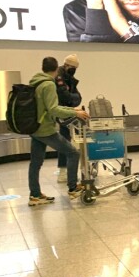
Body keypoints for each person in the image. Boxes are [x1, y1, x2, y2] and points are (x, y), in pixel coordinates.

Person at [28, 57, 90, 206]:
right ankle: (73, 188)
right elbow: (53, 109)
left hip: (35, 128)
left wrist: (71, 109)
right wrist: (75, 113)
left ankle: (35, 195)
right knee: (73, 153)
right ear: (56, 69)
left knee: (35, 162)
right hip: (46, 129)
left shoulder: (35, 81)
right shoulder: (49, 84)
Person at [55, 54, 82, 183]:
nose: (73, 70)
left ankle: (76, 167)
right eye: (72, 67)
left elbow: (78, 97)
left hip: (68, 111)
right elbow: (65, 96)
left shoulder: (70, 78)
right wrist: (72, 99)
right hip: (60, 112)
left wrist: (72, 99)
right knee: (64, 140)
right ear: (66, 65)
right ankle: (62, 170)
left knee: (73, 138)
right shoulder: (59, 77)